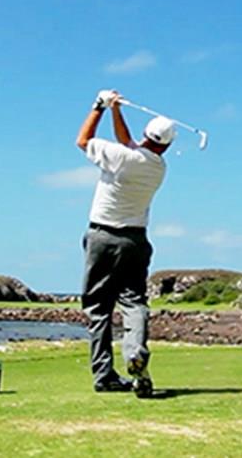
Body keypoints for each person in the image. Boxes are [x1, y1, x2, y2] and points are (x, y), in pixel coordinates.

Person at [75, 89, 174, 398]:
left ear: (146, 135)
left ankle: (104, 375)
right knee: (134, 302)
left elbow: (83, 140)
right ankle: (135, 353)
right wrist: (116, 110)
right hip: (135, 240)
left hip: (102, 237)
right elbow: (127, 142)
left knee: (98, 308)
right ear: (167, 146)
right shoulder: (158, 167)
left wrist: (99, 106)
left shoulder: (123, 157)